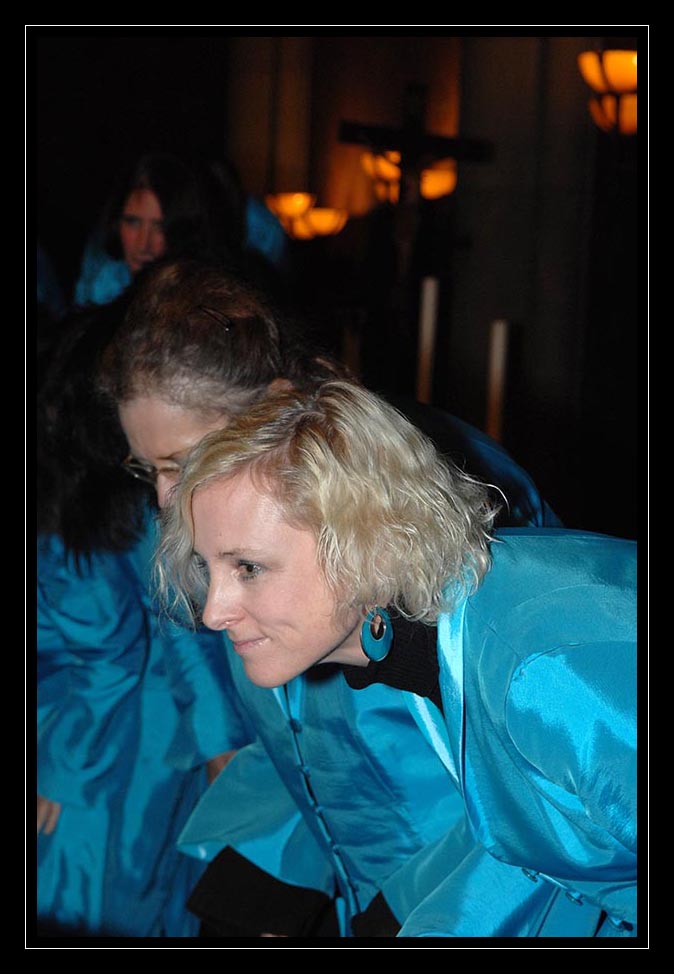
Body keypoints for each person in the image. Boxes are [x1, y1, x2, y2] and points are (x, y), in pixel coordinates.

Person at [96, 258, 582, 939]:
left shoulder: (428, 499)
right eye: (148, 469)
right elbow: (299, 732)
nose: (165, 497)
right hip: (355, 868)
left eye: (181, 462)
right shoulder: (233, 525)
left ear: (275, 407)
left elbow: (547, 785)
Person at [156, 379, 637, 940]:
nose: (213, 613)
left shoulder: (537, 665)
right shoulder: (444, 639)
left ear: (366, 542)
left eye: (248, 568)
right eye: (207, 567)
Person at [36, 283, 255, 938]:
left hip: (106, 753)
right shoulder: (116, 498)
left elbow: (119, 649)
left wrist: (61, 767)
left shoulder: (96, 511)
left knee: (98, 904)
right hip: (137, 740)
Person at [72, 152, 227, 309]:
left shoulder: (205, 300)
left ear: (182, 230)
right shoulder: (100, 287)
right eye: (132, 222)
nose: (143, 243)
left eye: (159, 226)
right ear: (116, 223)